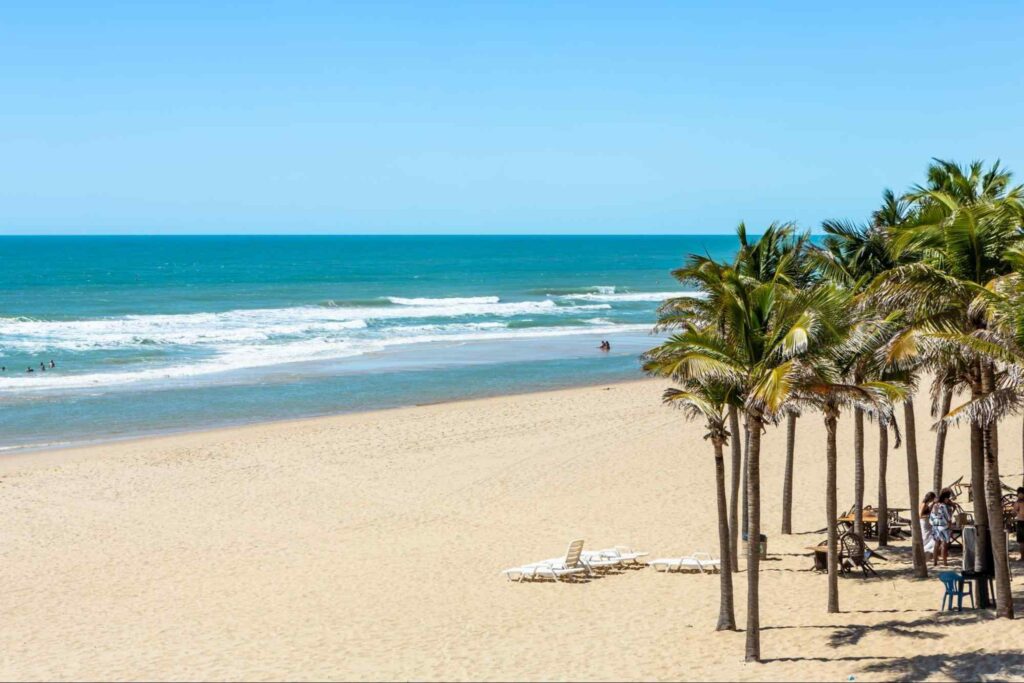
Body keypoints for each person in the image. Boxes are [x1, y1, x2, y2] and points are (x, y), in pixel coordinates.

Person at [929, 489, 954, 567]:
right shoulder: (944, 506)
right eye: (948, 498)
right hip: (944, 527)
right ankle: (945, 562)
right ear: (945, 498)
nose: (948, 500)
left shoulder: (935, 505)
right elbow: (948, 517)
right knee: (944, 544)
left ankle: (935, 562)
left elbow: (931, 517)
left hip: (935, 526)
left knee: (936, 544)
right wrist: (950, 525)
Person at [920, 491, 937, 557]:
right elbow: (920, 515)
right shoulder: (923, 504)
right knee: (926, 536)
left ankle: (927, 550)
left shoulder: (926, 504)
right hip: (924, 522)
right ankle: (925, 549)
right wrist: (928, 516)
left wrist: (933, 504)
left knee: (929, 536)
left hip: (927, 521)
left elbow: (929, 511)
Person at [1015, 487, 1024, 562]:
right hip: (1020, 521)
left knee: (1021, 542)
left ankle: (1022, 557)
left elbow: (1014, 511)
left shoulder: (1018, 502)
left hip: (1020, 522)